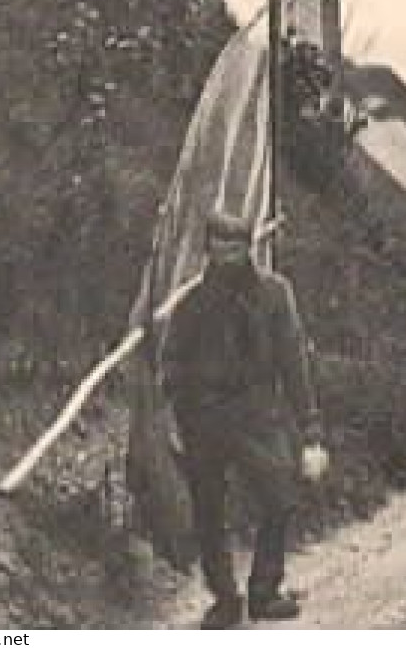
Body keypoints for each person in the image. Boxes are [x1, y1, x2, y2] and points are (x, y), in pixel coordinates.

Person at [161, 209, 327, 630]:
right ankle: (224, 598)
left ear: (249, 246)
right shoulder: (191, 303)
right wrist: (174, 422)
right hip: (203, 418)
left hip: (258, 415)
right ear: (208, 250)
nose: (228, 254)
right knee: (208, 510)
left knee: (280, 496)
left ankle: (264, 591)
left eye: (236, 245)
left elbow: (294, 362)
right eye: (219, 246)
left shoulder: (275, 294)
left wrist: (310, 428)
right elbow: (172, 366)